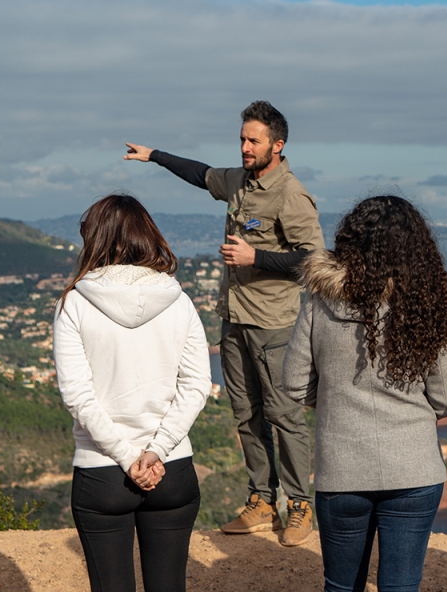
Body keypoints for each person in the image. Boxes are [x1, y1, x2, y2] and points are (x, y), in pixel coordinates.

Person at [274, 196, 447, 592]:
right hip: (414, 469)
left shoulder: (320, 299)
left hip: (341, 469)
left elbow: (292, 386)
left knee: (341, 591)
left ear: (349, 241)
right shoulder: (430, 303)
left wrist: (333, 400)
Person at [123, 100, 320, 546]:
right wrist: (155, 155)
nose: (246, 147)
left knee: (284, 416)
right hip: (234, 318)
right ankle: (262, 502)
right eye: (242, 140)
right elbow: (202, 174)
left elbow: (314, 259)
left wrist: (257, 257)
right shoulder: (239, 181)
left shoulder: (291, 195)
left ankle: (300, 506)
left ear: (278, 144)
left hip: (274, 325)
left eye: (254, 140)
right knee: (246, 413)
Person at [52, 194, 211, 592]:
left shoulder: (76, 303)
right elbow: (196, 387)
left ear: (94, 238)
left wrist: (125, 456)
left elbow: (77, 394)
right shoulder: (179, 300)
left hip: (102, 474)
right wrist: (156, 449)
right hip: (173, 471)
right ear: (148, 235)